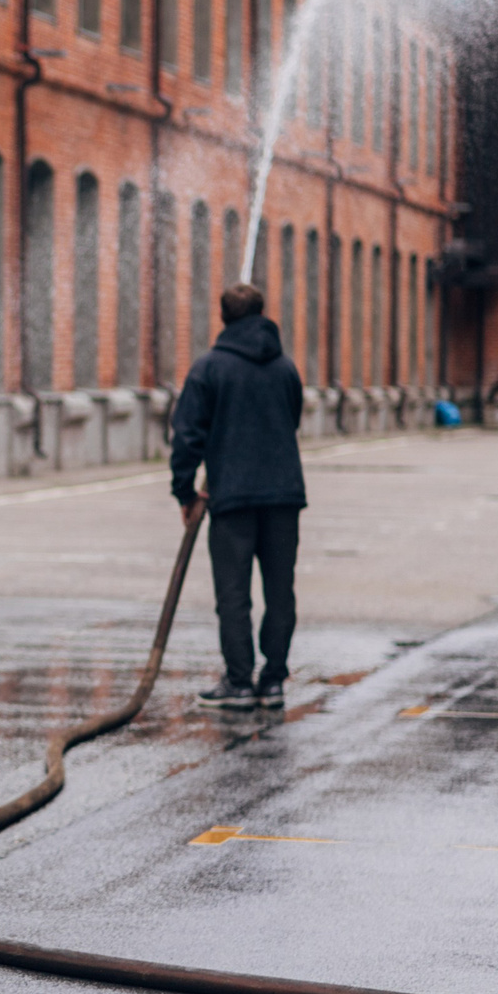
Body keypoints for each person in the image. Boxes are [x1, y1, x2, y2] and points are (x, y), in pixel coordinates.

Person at [168, 282, 306, 712]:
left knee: (233, 593)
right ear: (262, 314)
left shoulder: (209, 369)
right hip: (283, 495)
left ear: (223, 317)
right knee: (280, 590)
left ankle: (240, 682)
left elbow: (186, 435)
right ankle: (274, 680)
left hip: (231, 496)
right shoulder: (285, 368)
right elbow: (293, 418)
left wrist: (185, 492)